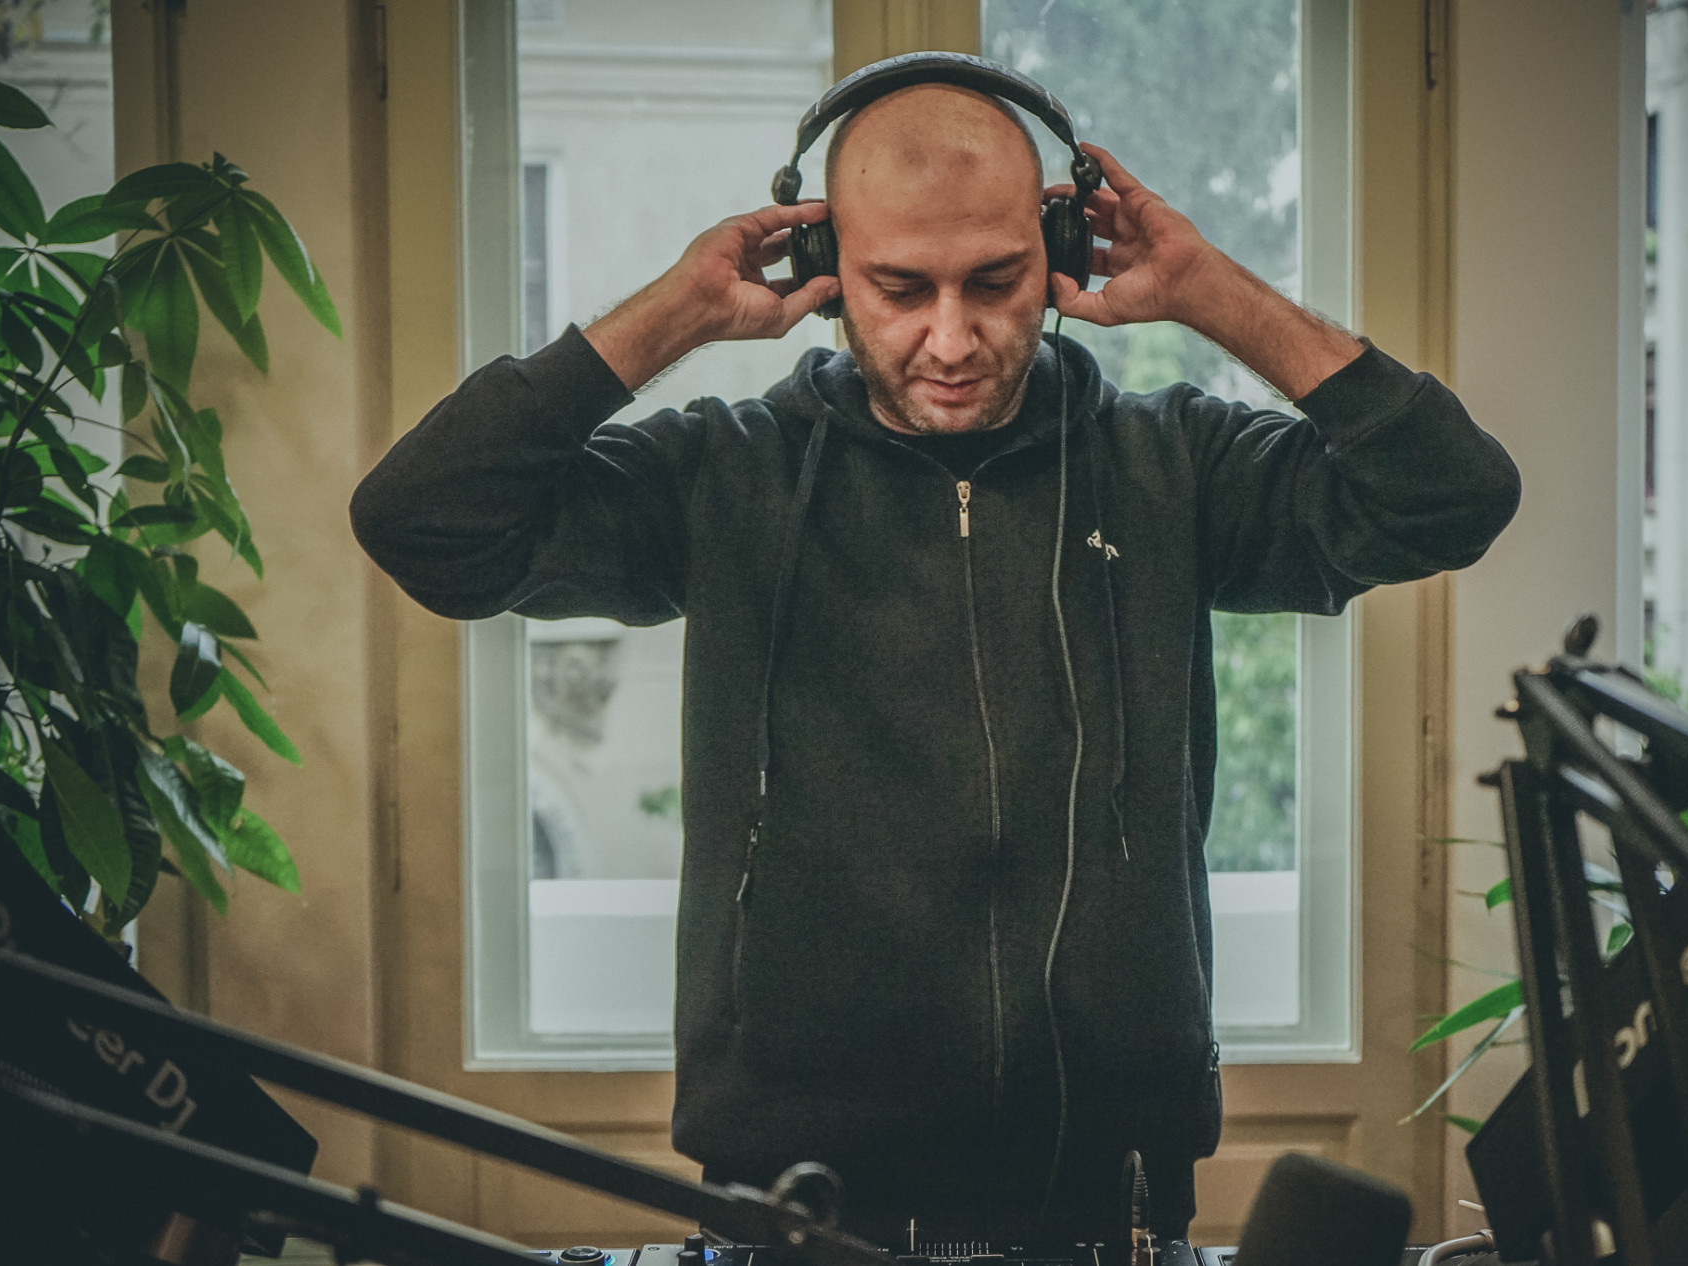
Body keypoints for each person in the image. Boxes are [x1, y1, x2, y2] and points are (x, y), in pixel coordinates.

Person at [351, 62, 1520, 1249]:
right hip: (795, 1204)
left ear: (1057, 253)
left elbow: (1451, 496)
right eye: (901, 288)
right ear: (824, 270)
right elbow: (423, 524)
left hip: (1104, 1204)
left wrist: (1212, 293)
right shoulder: (725, 477)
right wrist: (672, 316)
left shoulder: (1173, 467)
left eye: (995, 282)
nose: (950, 339)